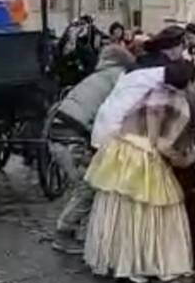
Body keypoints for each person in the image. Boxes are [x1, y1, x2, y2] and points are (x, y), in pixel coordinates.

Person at [83, 59, 195, 283]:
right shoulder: (179, 104)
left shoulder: (152, 90)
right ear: (188, 83)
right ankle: (138, 266)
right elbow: (165, 146)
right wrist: (190, 157)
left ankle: (115, 262)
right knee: (148, 211)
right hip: (144, 157)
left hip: (119, 150)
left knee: (118, 208)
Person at [51, 44, 136, 255]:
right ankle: (64, 232)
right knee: (87, 185)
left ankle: (80, 230)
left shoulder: (98, 76)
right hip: (73, 136)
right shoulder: (120, 78)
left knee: (87, 183)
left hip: (60, 130)